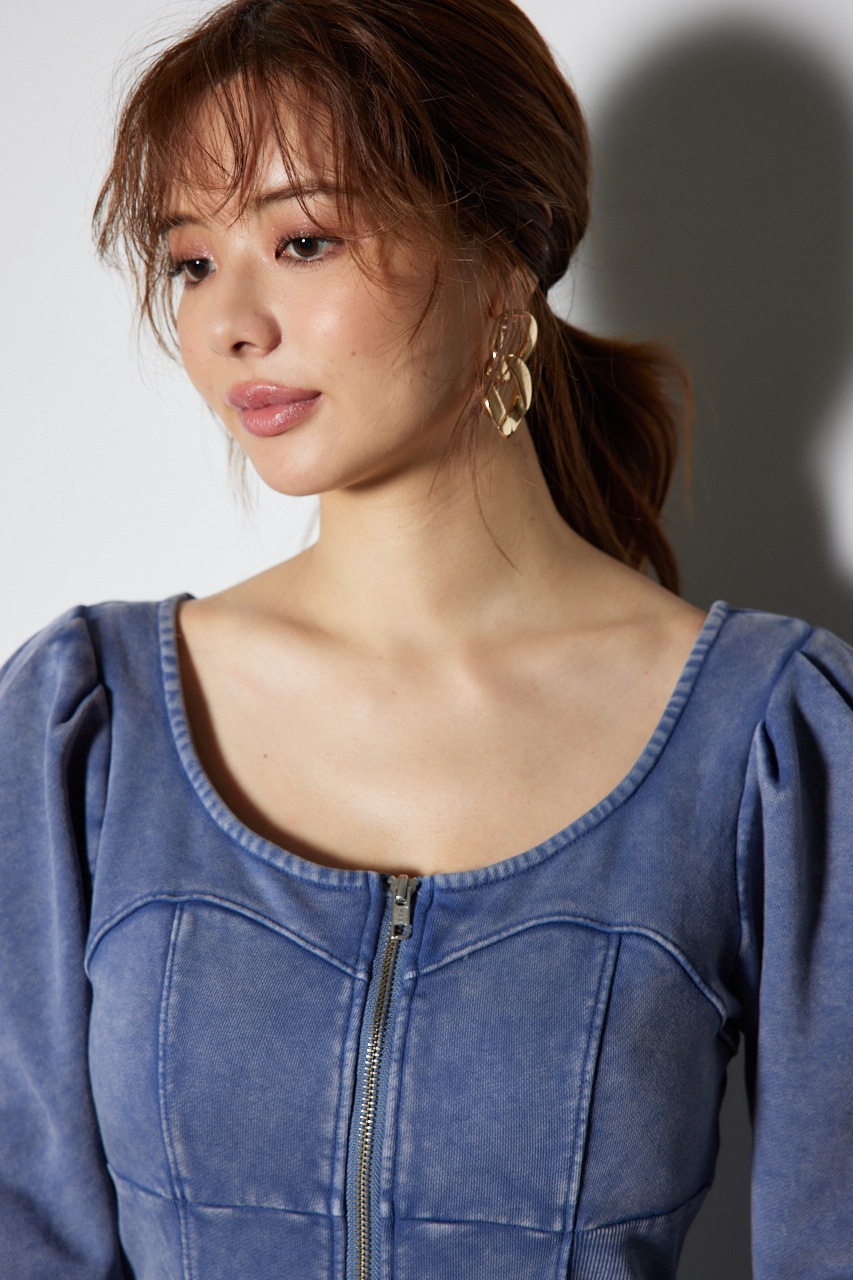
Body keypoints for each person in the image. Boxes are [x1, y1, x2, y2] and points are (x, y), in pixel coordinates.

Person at [2, 0, 852, 1276]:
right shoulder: (86, 723)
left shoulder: (770, 741)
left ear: (502, 257)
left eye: (301, 240)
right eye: (191, 262)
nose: (230, 321)